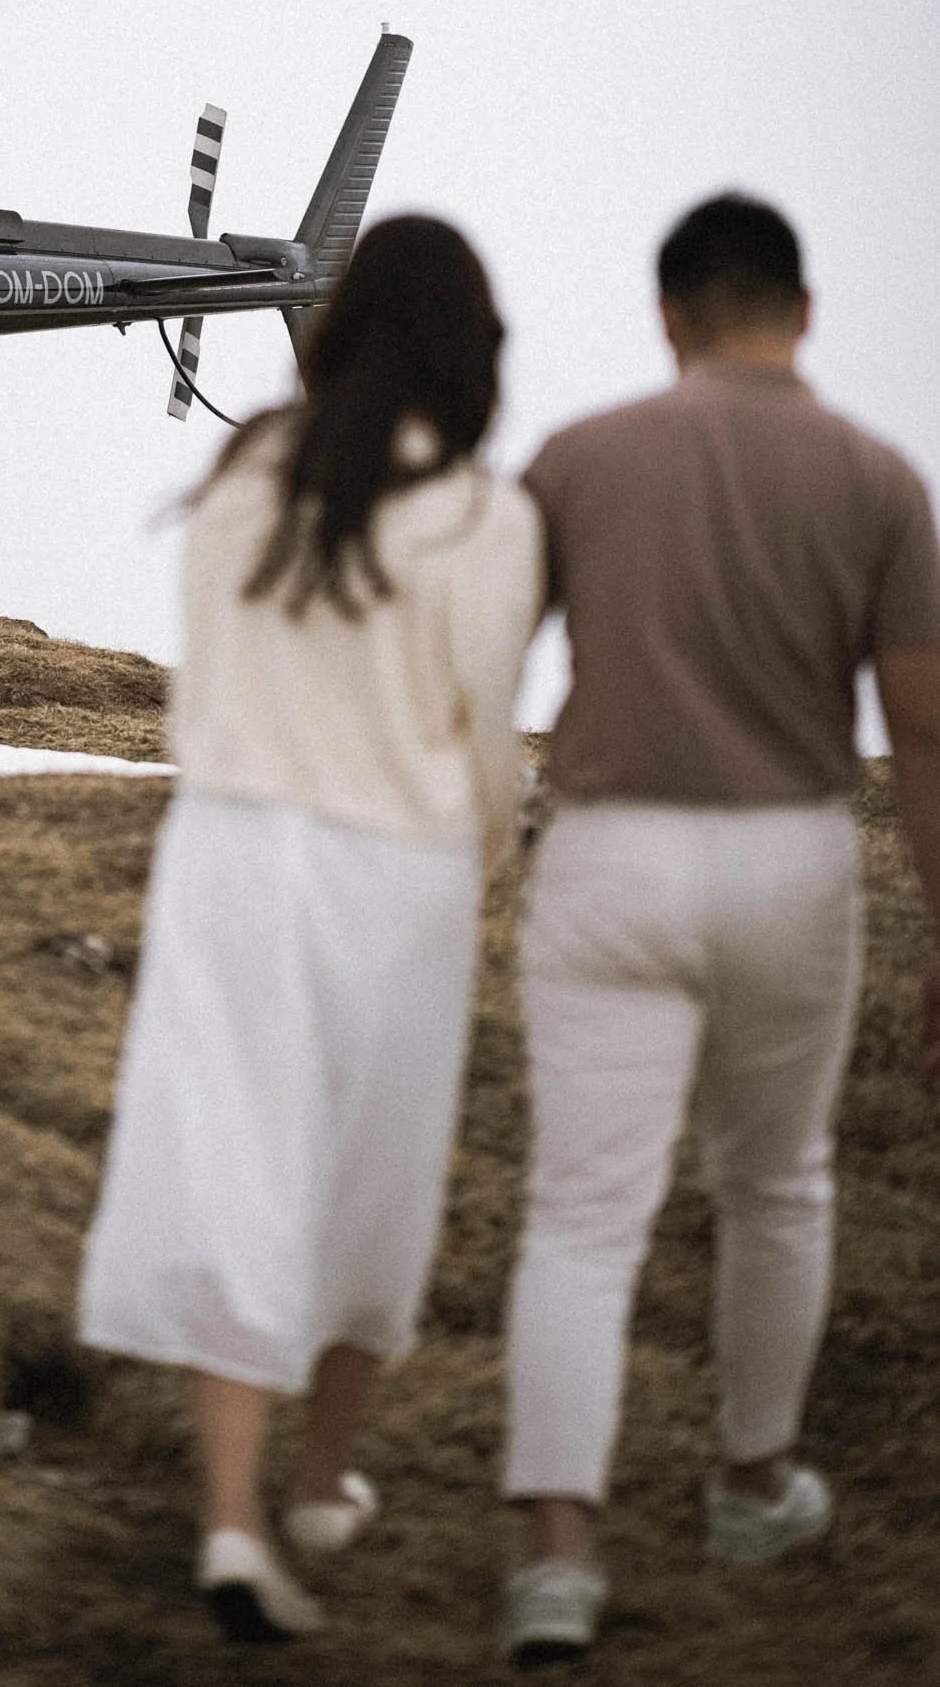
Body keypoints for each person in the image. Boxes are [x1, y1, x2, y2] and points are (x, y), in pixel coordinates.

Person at [78, 213, 543, 1642]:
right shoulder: (483, 513)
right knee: (368, 1177)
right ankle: (325, 1481)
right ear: (470, 351)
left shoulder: (241, 477)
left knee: (233, 1163)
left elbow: (197, 684)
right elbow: (481, 735)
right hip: (392, 873)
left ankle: (227, 1519)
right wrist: (499, 852)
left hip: (227, 850)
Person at [499, 192, 940, 1665]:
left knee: (579, 1215)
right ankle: (752, 1480)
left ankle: (556, 1554)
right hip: (792, 860)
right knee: (779, 1186)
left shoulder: (576, 458)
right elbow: (923, 732)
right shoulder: (880, 482)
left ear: (667, 316)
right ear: (801, 314)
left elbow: (487, 664)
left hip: (611, 854)